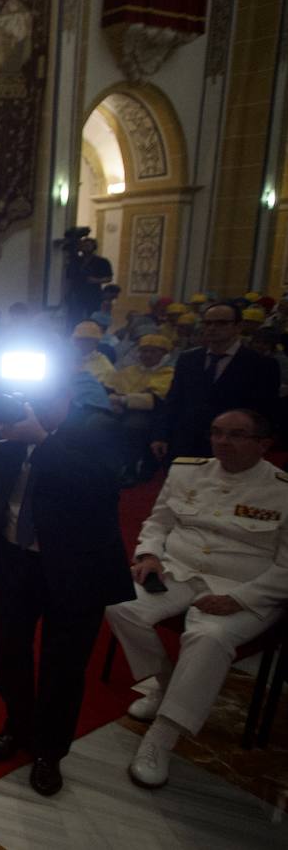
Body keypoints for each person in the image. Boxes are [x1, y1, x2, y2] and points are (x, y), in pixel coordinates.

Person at [0, 358, 134, 796]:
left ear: (65, 399)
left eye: (40, 398)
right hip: (16, 557)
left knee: (64, 666)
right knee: (10, 654)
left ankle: (50, 751)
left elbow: (101, 486)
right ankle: (17, 726)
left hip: (77, 568)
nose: (28, 405)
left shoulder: (99, 427)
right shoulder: (10, 423)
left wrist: (41, 440)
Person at [107, 409, 288, 788]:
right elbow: (158, 522)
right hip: (177, 570)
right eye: (217, 433)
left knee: (208, 638)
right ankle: (166, 681)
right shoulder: (188, 470)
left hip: (242, 586)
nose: (223, 442)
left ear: (263, 444)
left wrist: (240, 598)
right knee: (120, 604)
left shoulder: (282, 489)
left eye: (237, 435)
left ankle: (162, 738)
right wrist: (148, 554)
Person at [152, 302, 279, 460]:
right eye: (208, 323)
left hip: (233, 443)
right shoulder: (189, 359)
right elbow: (174, 399)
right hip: (186, 439)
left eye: (221, 323)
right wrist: (161, 434)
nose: (212, 328)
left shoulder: (261, 364)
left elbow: (264, 410)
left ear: (238, 327)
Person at [106, 332, 175, 484]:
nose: (147, 355)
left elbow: (154, 400)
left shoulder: (169, 373)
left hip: (151, 414)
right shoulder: (129, 371)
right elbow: (111, 389)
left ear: (164, 354)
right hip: (121, 408)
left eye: (153, 351)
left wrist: (122, 400)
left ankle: (131, 468)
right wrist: (114, 401)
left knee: (134, 425)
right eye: (144, 350)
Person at [64, 235, 112, 328]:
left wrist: (96, 280)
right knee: (74, 316)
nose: (86, 247)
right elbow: (69, 278)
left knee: (93, 316)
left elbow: (109, 277)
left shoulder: (101, 261)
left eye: (89, 245)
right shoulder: (76, 261)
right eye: (84, 245)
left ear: (94, 247)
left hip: (93, 293)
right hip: (77, 293)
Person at [72, 320, 115, 386]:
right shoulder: (67, 357)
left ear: (96, 342)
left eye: (85, 340)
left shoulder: (105, 368)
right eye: (78, 339)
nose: (80, 343)